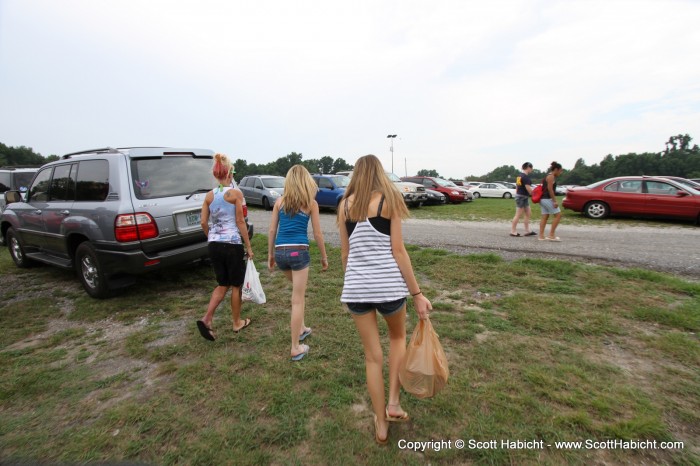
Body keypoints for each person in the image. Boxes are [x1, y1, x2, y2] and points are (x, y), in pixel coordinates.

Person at [337, 154, 432, 445]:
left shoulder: (343, 206)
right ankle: (393, 403)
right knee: (397, 339)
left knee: (372, 357)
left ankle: (380, 423)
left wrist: (355, 282)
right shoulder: (387, 200)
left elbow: (345, 253)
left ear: (355, 174)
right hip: (390, 289)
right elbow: (399, 251)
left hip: (357, 290)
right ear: (379, 173)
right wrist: (417, 294)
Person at [268, 165, 328, 361]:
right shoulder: (311, 203)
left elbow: (271, 231)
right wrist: (324, 256)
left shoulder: (279, 202)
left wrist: (270, 255)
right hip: (298, 252)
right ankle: (295, 347)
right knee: (298, 299)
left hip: (280, 253)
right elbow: (317, 233)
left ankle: (301, 328)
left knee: (297, 293)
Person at [196, 153, 254, 341]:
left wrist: (212, 237)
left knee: (222, 284)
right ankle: (237, 322)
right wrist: (249, 246)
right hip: (232, 244)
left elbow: (203, 222)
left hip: (214, 243)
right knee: (236, 284)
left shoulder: (209, 196)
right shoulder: (235, 194)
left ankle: (207, 318)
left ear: (216, 175)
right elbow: (240, 221)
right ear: (230, 174)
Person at [538, 161, 564, 241]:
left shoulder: (548, 176)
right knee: (558, 215)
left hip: (542, 199)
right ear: (556, 169)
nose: (561, 172)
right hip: (547, 199)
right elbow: (550, 189)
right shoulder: (551, 176)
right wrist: (554, 201)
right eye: (560, 171)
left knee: (545, 217)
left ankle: (541, 236)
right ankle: (551, 235)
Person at [510, 162, 536, 236]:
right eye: (531, 168)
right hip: (521, 197)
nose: (532, 170)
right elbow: (528, 188)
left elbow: (517, 187)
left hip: (522, 196)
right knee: (518, 214)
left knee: (528, 213)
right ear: (528, 168)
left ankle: (527, 230)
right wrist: (535, 195)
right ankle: (513, 231)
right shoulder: (525, 177)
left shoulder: (519, 176)